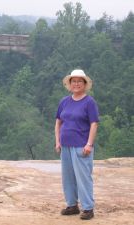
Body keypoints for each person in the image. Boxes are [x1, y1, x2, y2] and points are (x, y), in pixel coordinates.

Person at [55, 69, 99, 220]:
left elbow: (94, 124)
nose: (76, 84)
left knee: (83, 177)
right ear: (69, 84)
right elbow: (58, 122)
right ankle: (72, 205)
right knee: (68, 177)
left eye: (80, 81)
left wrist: (89, 144)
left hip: (81, 145)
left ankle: (88, 208)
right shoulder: (64, 101)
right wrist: (57, 141)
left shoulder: (89, 102)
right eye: (74, 81)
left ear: (85, 84)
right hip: (65, 145)